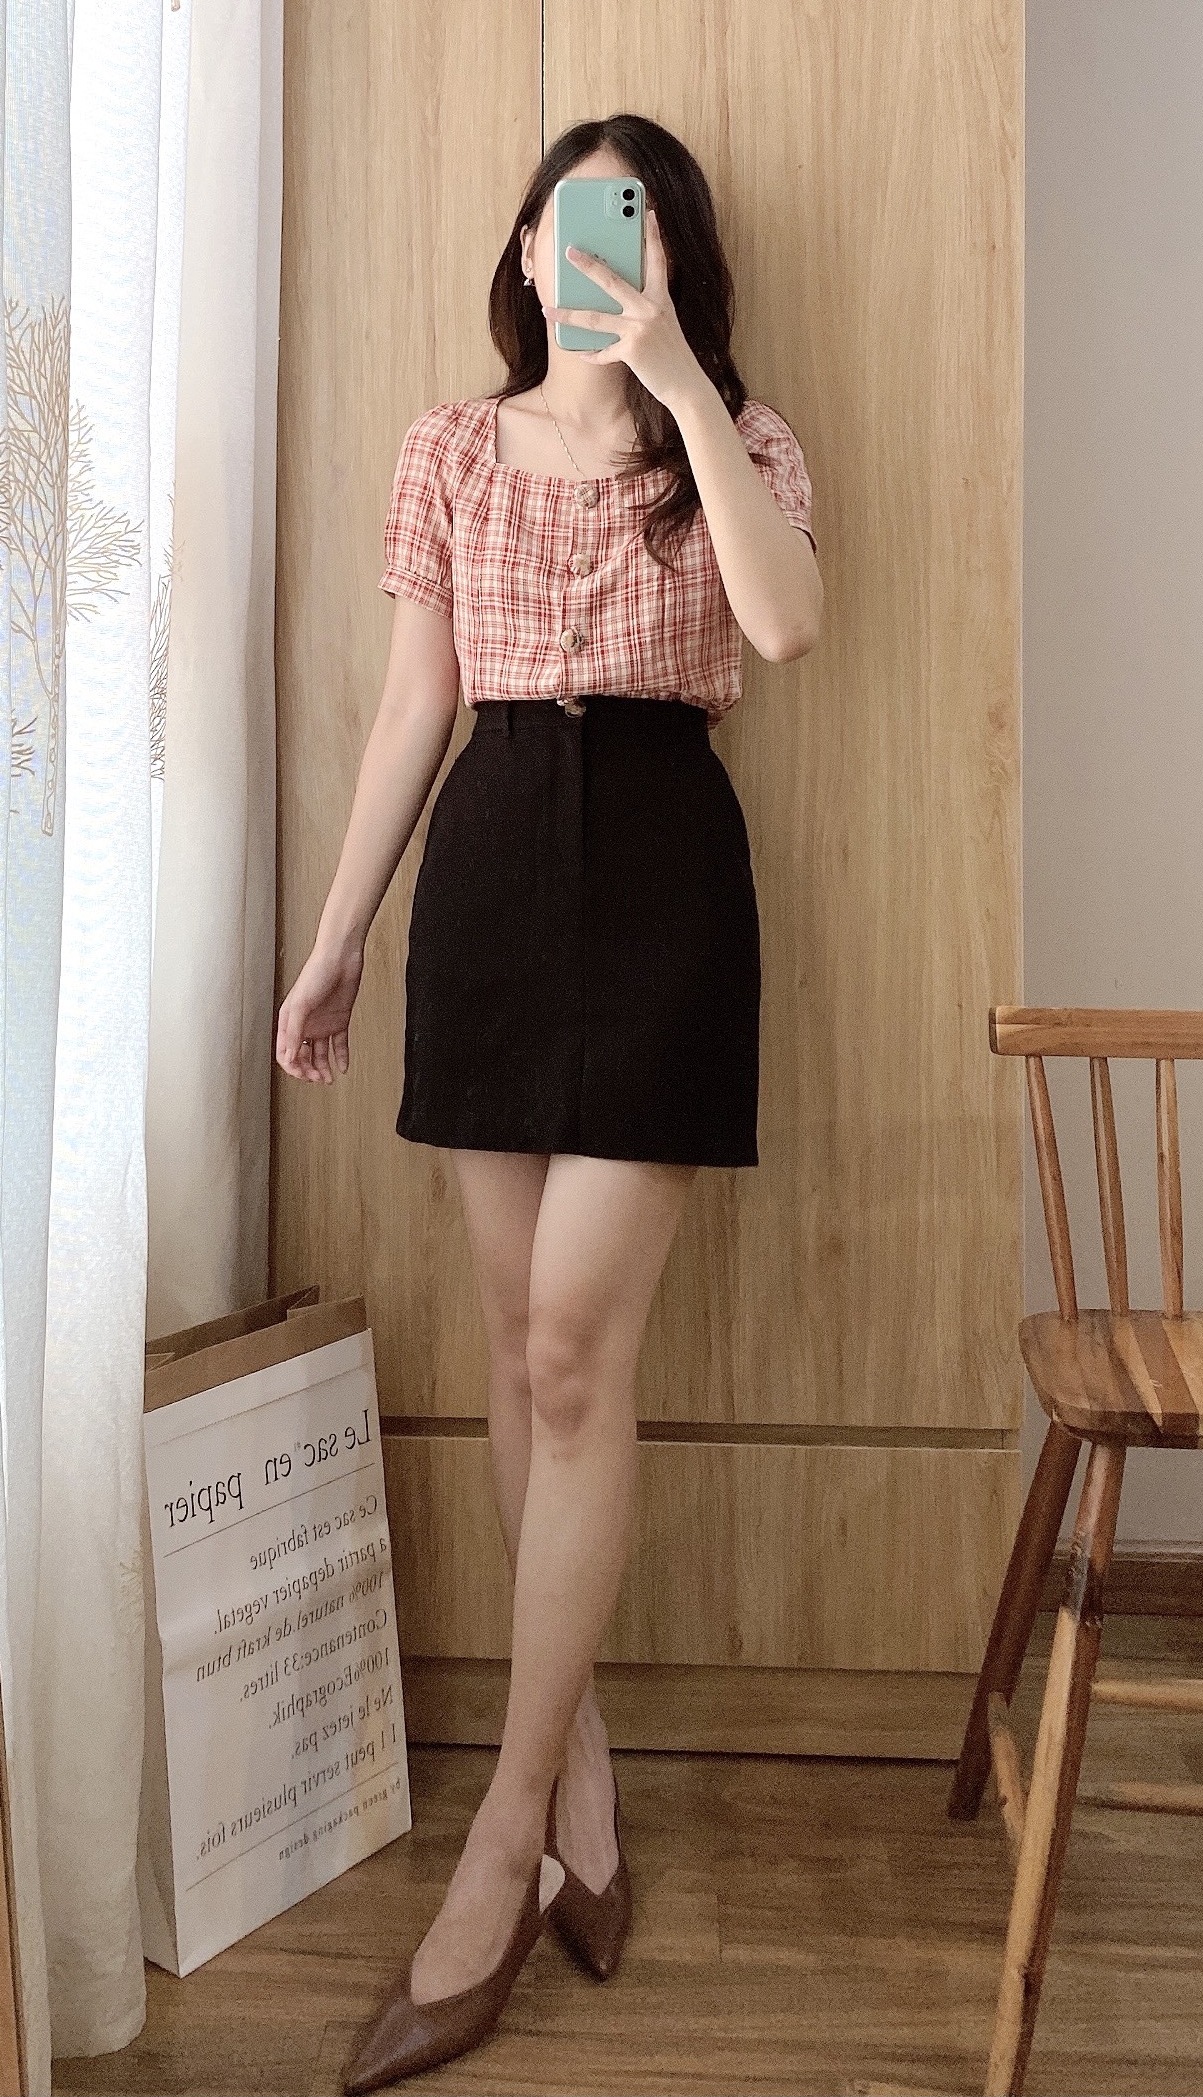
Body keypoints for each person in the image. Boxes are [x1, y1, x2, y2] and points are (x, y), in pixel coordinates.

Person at [275, 111, 822, 2088]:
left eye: (634, 226)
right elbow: (412, 706)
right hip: (495, 865)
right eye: (572, 221)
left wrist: (673, 379)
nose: (594, 250)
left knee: (579, 1350)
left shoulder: (734, 442)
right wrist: (338, 938)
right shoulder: (446, 448)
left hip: (665, 868)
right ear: (524, 250)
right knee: (517, 1343)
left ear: (672, 257)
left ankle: (503, 1839)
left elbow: (784, 626)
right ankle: (572, 1753)